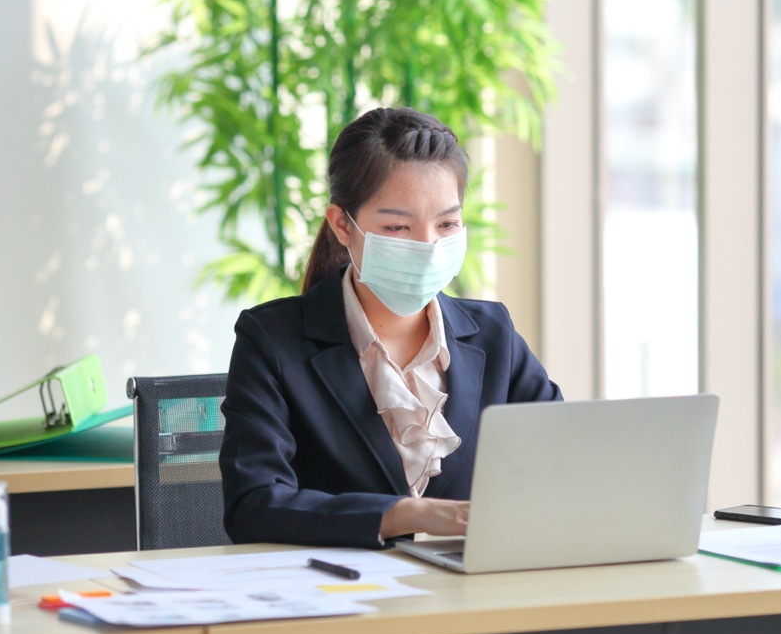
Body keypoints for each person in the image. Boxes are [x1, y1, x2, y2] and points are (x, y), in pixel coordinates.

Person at [220, 107, 563, 548]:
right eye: (398, 226)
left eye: (447, 224)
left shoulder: (493, 333)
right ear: (344, 224)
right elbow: (254, 505)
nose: (428, 246)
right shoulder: (272, 340)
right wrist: (407, 515)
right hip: (342, 598)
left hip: (478, 593)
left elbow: (563, 460)